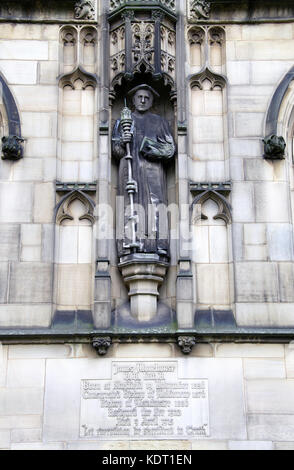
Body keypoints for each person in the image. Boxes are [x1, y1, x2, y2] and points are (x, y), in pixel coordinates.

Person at [112, 84, 175, 258]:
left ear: (151, 101)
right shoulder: (123, 122)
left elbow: (169, 150)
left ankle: (158, 245)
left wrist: (148, 147)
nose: (142, 100)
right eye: (139, 97)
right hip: (130, 170)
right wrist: (122, 142)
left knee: (156, 205)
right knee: (129, 205)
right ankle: (129, 244)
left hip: (153, 172)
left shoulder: (159, 122)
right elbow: (116, 151)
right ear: (133, 100)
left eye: (147, 98)